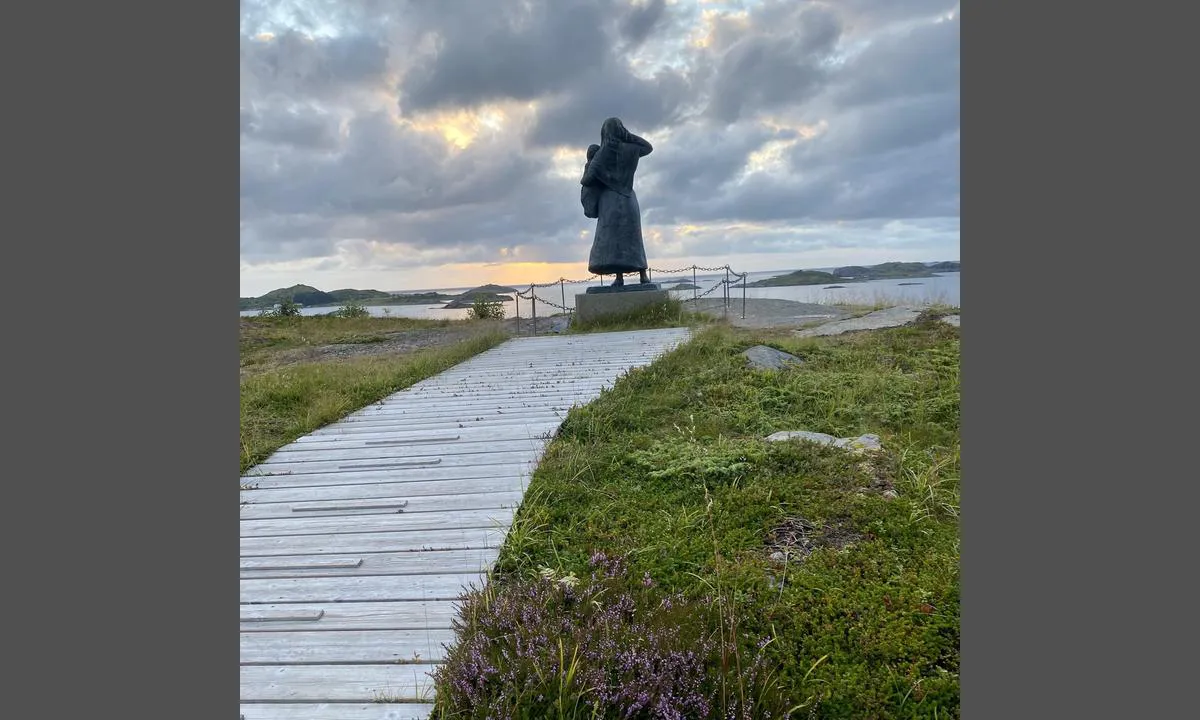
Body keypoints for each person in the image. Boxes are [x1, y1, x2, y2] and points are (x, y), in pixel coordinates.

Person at [580, 117, 653, 286]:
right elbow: (648, 147)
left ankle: (619, 278)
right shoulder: (631, 148)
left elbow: (587, 180)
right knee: (634, 237)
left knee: (614, 240)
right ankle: (643, 275)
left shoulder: (601, 154)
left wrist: (592, 165)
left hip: (610, 201)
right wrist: (627, 136)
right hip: (629, 200)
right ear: (621, 130)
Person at [580, 144, 601, 219]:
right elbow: (585, 180)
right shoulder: (589, 165)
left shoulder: (594, 165)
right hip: (590, 193)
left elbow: (584, 181)